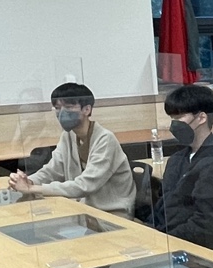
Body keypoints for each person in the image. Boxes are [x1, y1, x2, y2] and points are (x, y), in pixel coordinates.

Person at [8, 83, 135, 217]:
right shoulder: (68, 136)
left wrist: (32, 188)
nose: (62, 113)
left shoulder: (105, 139)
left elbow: (85, 185)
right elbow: (52, 170)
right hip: (83, 209)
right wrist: (29, 181)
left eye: (68, 107)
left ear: (87, 109)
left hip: (112, 213)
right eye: (58, 108)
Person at [153, 84, 213, 258]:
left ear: (201, 117)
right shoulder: (177, 159)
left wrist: (163, 241)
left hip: (201, 255)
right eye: (172, 118)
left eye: (179, 117)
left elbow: (208, 226)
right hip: (171, 245)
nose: (173, 124)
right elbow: (164, 208)